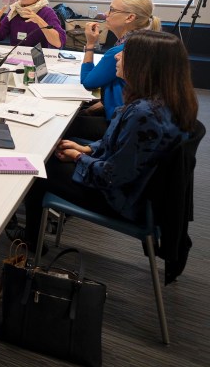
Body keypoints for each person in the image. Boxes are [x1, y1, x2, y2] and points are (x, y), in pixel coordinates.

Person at [17, 30, 198, 250]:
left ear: (145, 64)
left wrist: (78, 157)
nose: (116, 56)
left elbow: (112, 176)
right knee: (49, 158)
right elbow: (123, 147)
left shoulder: (144, 113)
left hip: (125, 199)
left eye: (125, 53)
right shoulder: (166, 100)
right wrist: (86, 148)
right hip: (142, 192)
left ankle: (31, 244)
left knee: (38, 170)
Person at [71, 0, 161, 140]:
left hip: (118, 125)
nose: (106, 14)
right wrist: (102, 104)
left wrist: (90, 44)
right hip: (131, 119)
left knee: (62, 125)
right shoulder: (143, 41)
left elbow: (87, 83)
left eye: (112, 10)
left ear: (130, 17)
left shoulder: (121, 50)